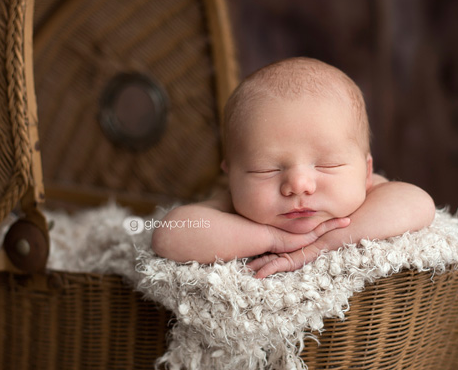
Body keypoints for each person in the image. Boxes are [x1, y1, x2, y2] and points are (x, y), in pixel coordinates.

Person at [151, 57, 435, 278]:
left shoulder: (373, 193)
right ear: (231, 177)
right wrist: (271, 238)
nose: (299, 184)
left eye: (327, 164)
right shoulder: (233, 208)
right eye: (265, 170)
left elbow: (419, 203)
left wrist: (321, 245)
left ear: (365, 170)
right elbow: (170, 234)